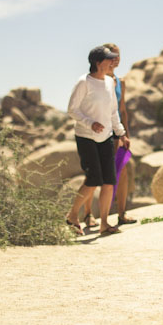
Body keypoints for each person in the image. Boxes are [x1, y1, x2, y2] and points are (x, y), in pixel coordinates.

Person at [65, 45, 130, 236]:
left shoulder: (110, 83)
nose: (113, 62)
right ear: (98, 62)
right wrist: (89, 123)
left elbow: (113, 112)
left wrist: (121, 133)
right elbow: (72, 109)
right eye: (109, 59)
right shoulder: (83, 82)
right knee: (93, 179)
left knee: (109, 180)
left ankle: (104, 223)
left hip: (106, 137)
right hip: (86, 137)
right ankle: (72, 216)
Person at [79, 42, 137, 227]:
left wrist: (124, 134)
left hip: (116, 131)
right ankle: (88, 214)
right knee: (95, 174)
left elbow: (122, 110)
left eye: (118, 55)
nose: (116, 59)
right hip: (97, 131)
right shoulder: (93, 81)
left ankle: (121, 213)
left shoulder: (120, 82)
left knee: (122, 170)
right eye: (112, 55)